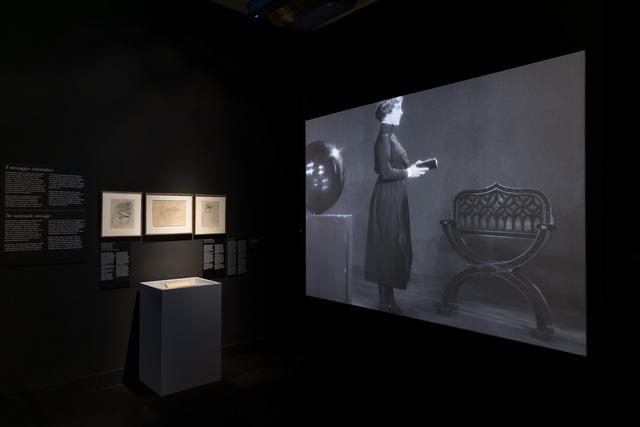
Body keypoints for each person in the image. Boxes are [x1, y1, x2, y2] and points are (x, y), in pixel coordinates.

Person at [364, 96, 428, 314]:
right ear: (387, 110)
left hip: (396, 196)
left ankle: (388, 300)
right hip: (387, 198)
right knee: (387, 247)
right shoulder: (383, 137)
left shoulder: (391, 136)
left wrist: (412, 168)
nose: (402, 112)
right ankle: (385, 302)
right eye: (399, 107)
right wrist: (408, 172)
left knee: (392, 247)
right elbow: (384, 172)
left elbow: (394, 166)